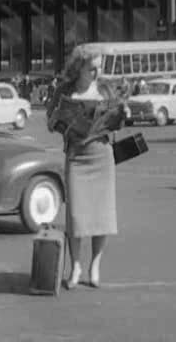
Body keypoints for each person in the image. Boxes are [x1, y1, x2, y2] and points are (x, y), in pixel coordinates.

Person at [46, 46, 123, 289]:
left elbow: (116, 124)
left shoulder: (106, 88)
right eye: (92, 68)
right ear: (78, 67)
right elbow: (50, 124)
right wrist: (58, 116)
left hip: (102, 155)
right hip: (77, 157)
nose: (97, 72)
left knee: (102, 216)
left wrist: (122, 115)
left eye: (100, 67)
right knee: (77, 216)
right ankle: (76, 265)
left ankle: (95, 265)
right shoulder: (63, 91)